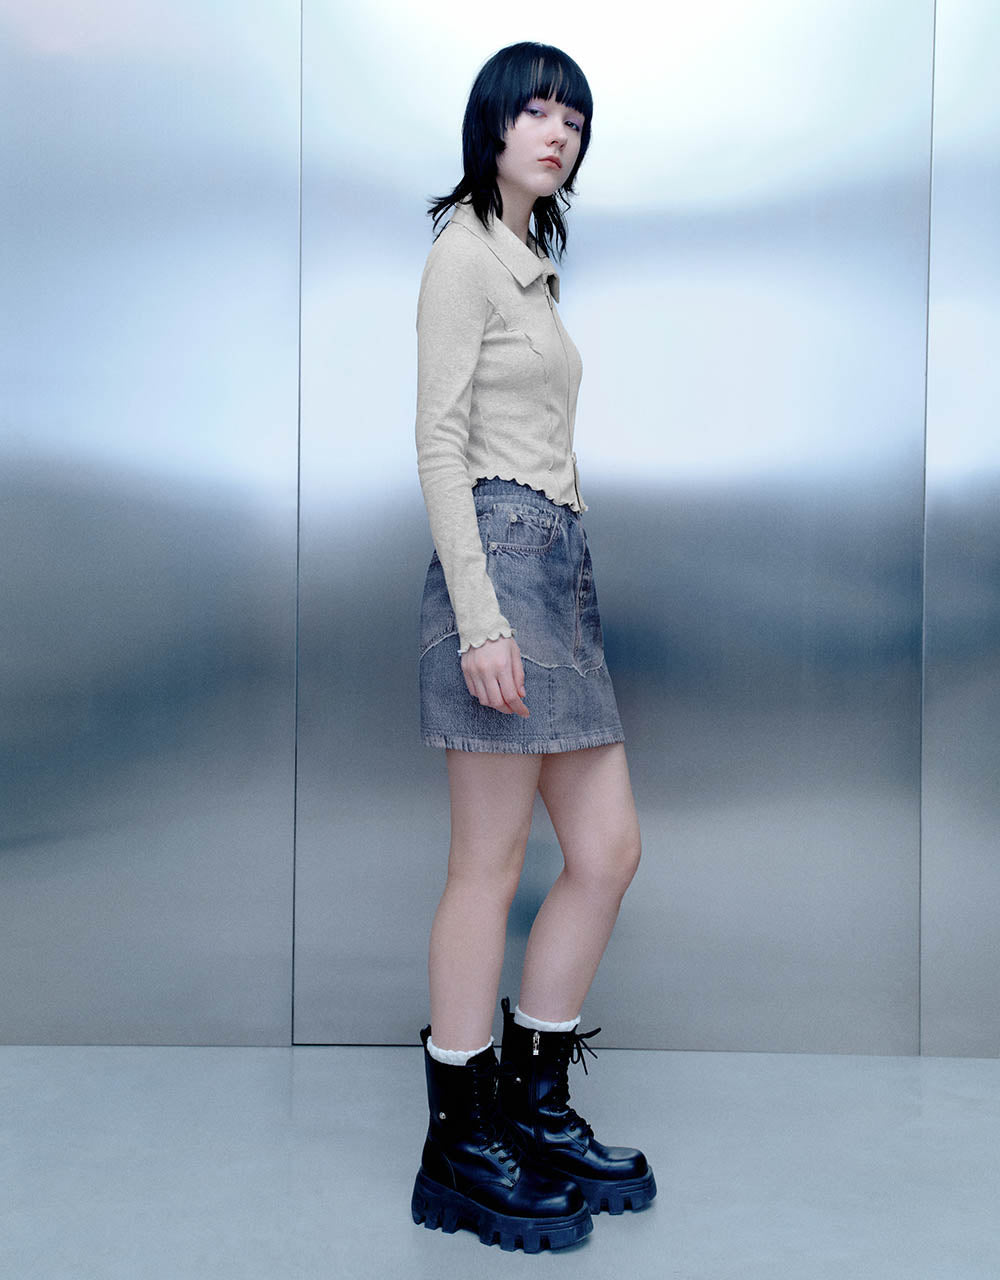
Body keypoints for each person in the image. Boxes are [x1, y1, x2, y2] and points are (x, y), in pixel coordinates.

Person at [410, 41, 656, 1253]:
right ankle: (459, 1143)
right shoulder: (463, 253)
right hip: (501, 570)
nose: (557, 131)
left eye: (575, 117)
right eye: (537, 111)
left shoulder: (528, 266)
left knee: (606, 849)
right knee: (488, 862)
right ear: (493, 126)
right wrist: (481, 617)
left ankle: (533, 1105)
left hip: (560, 567)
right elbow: (439, 444)